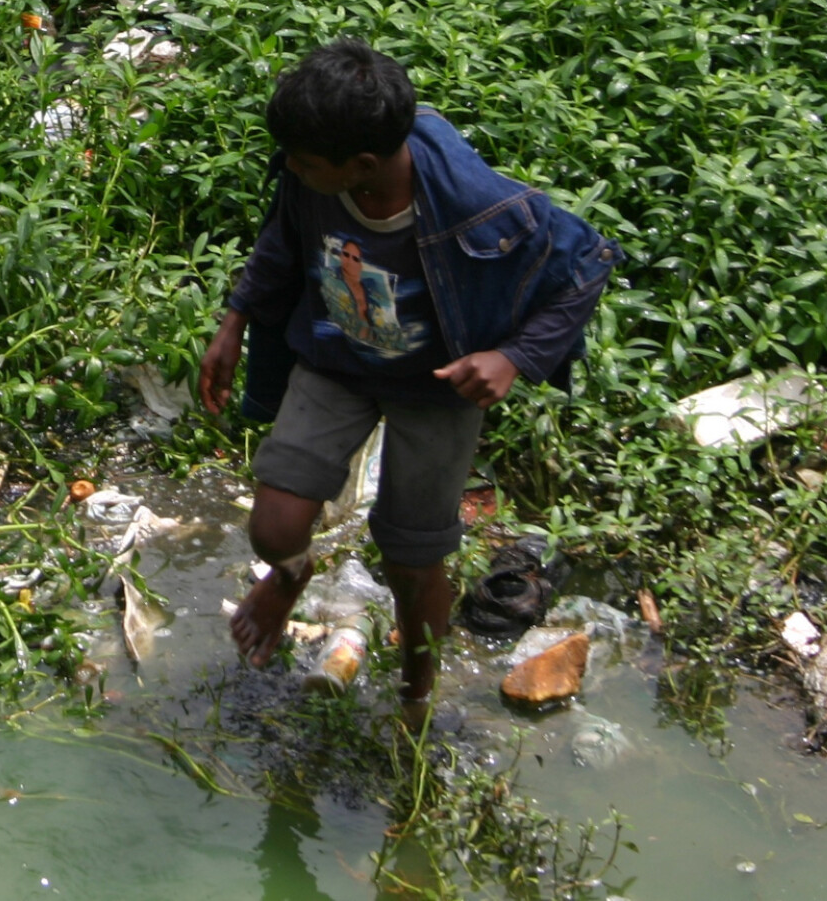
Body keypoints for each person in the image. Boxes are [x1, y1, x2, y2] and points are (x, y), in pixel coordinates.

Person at [197, 39, 617, 729]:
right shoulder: (314, 173)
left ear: (361, 166)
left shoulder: (479, 205)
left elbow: (588, 265)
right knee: (274, 528)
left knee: (412, 563)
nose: (291, 173)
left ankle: (416, 698)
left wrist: (513, 357)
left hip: (434, 388)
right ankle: (292, 577)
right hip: (336, 362)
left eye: (303, 164)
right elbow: (281, 235)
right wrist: (236, 318)